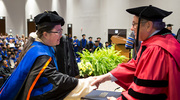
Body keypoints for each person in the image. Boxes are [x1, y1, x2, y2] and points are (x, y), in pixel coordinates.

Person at [0, 11, 96, 100]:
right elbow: (56, 80)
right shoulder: (40, 54)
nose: (61, 35)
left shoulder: (40, 46)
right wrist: (86, 82)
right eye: (58, 32)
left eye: (61, 31)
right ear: (45, 34)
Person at [91, 5, 180, 100]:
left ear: (148, 26)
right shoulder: (163, 40)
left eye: (134, 24)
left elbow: (146, 92)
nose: (131, 28)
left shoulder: (155, 49)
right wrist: (105, 77)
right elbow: (136, 66)